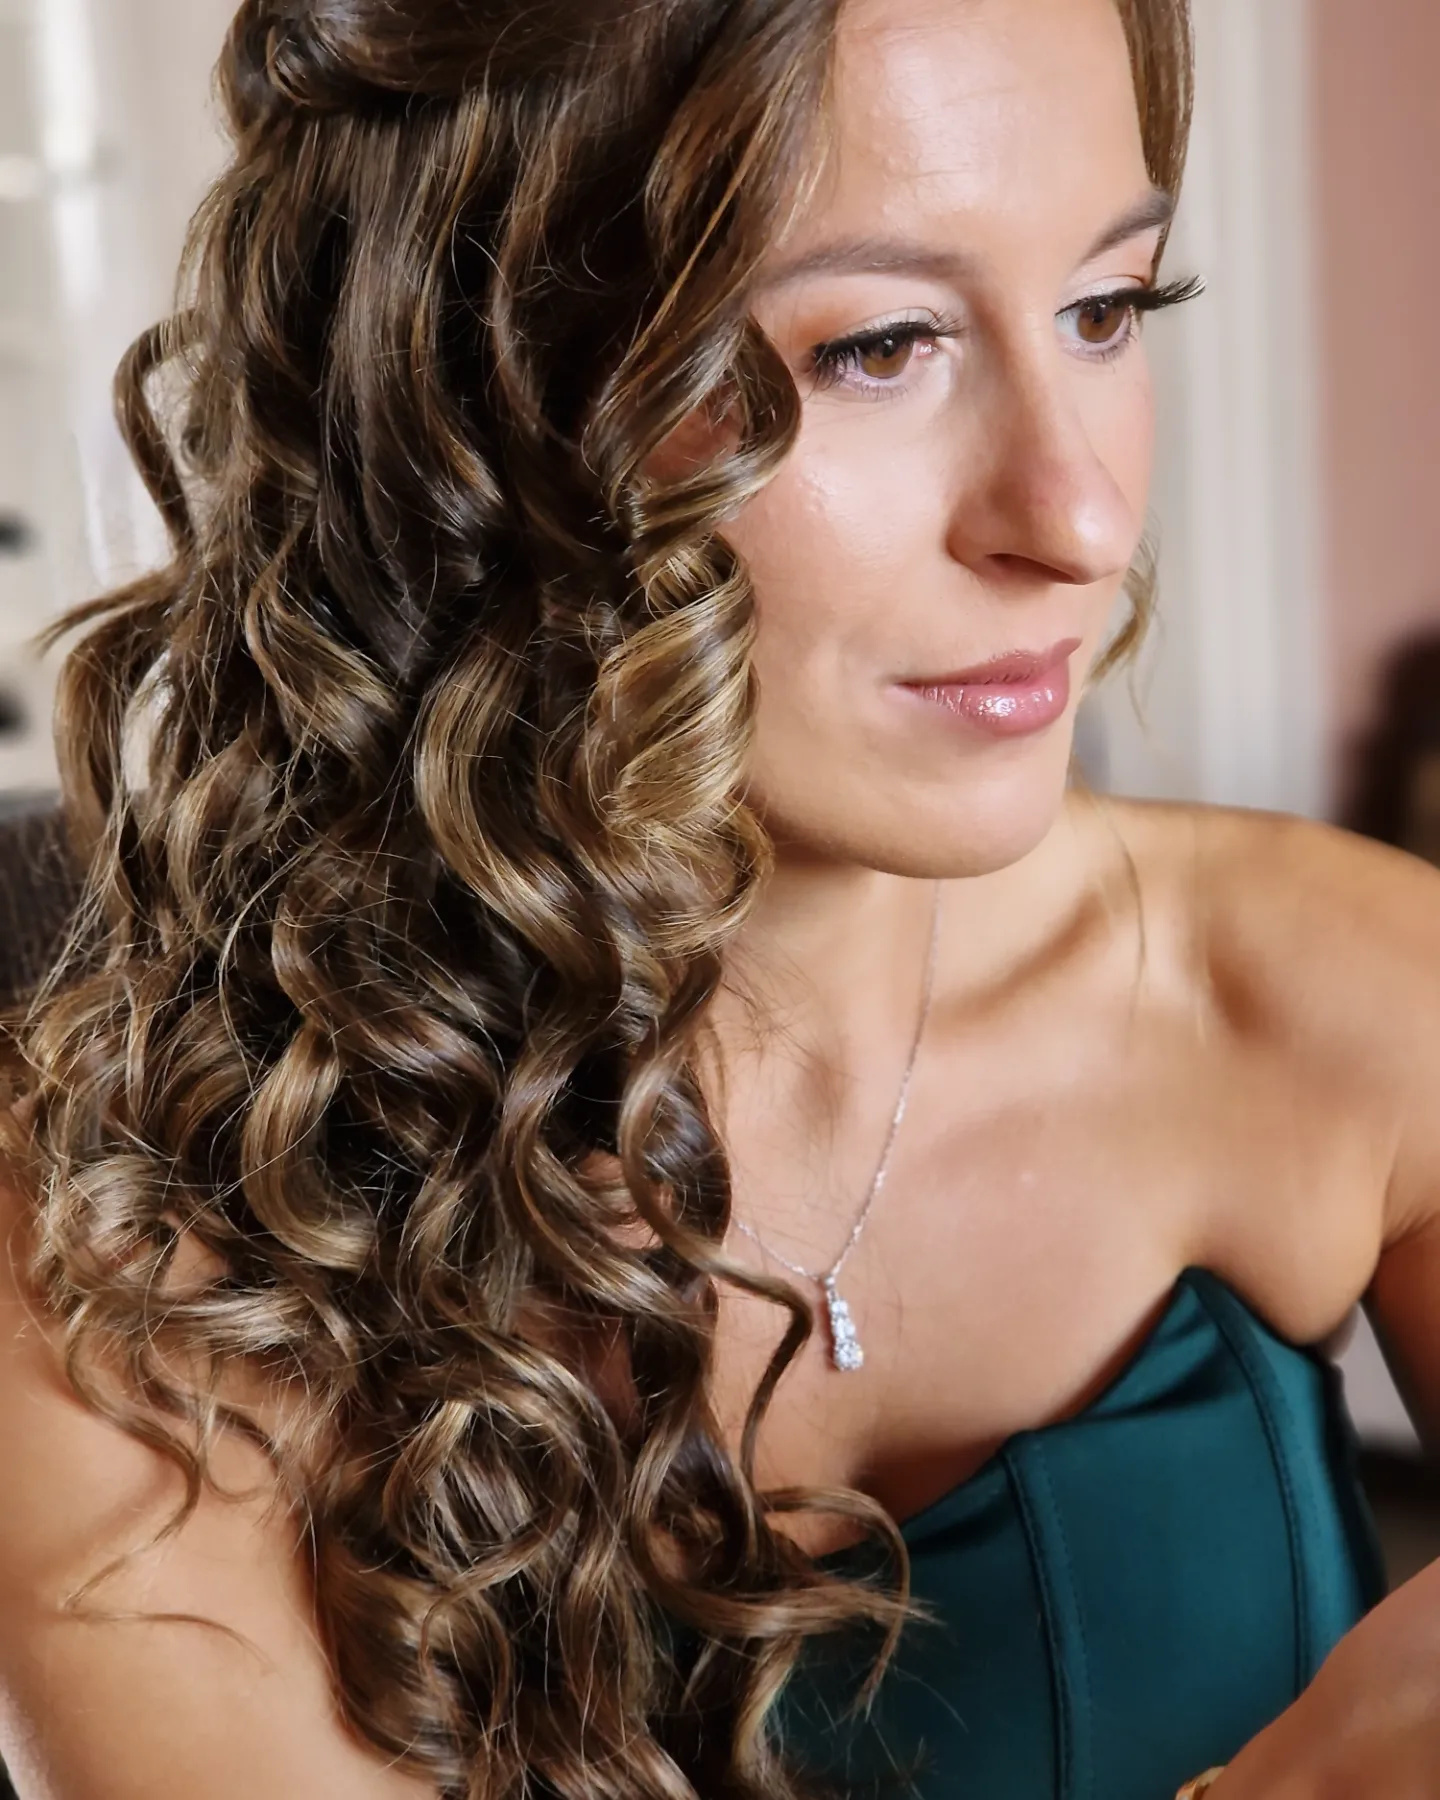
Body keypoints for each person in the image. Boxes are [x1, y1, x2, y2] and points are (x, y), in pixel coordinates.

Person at [3, 0, 1440, 1794]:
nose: (1075, 518)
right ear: (473, 394)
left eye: (1106, 309)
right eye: (880, 346)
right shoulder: (124, 1246)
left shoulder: (1341, 991)